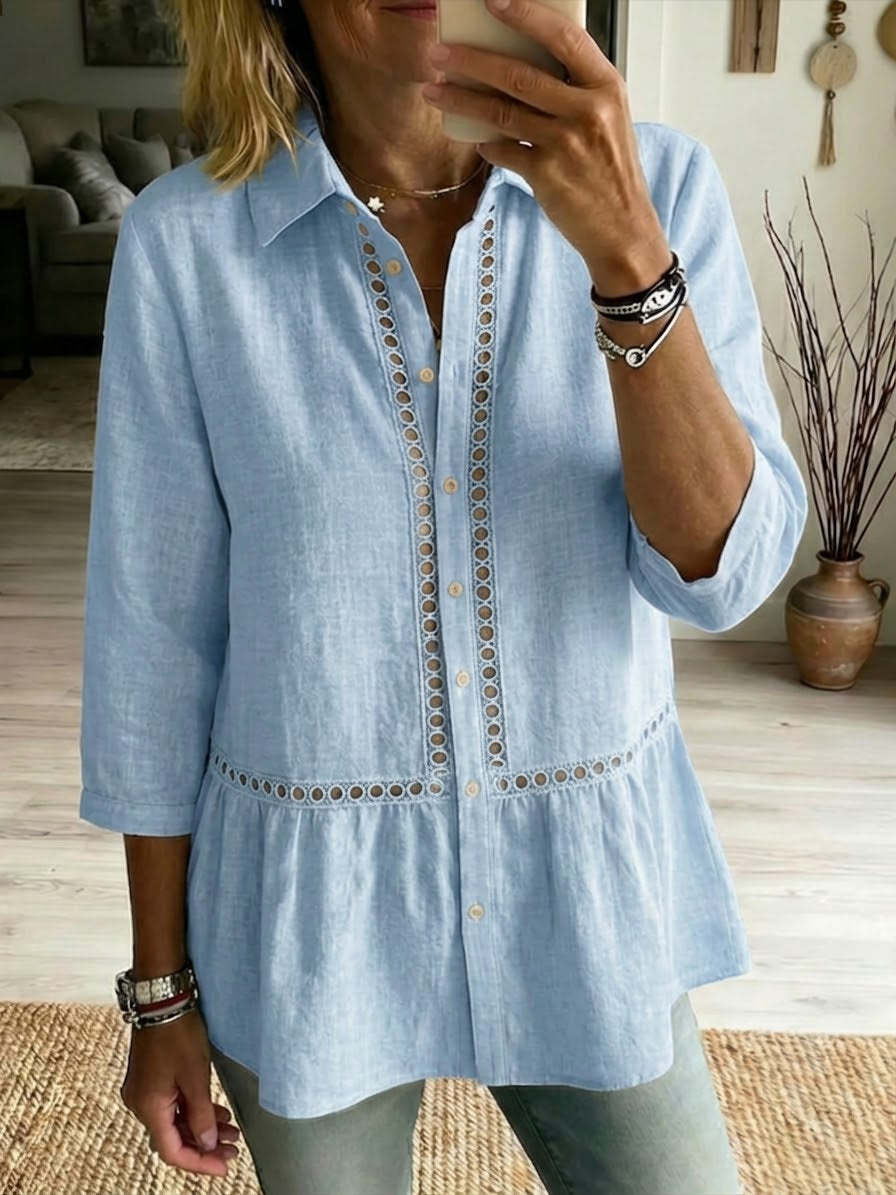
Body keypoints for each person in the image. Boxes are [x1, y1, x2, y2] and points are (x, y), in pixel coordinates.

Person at [78, 0, 808, 1191]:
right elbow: (151, 648)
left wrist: (626, 257)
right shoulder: (187, 245)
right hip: (308, 925)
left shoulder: (659, 186)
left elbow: (720, 575)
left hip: (588, 900)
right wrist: (160, 992)